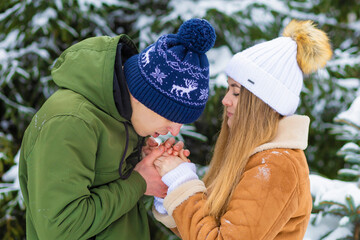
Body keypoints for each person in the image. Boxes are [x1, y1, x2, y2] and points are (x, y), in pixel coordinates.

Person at [18, 18, 216, 239]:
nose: (175, 130)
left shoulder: (124, 119)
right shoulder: (71, 122)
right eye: (171, 117)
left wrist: (148, 166)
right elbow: (59, 228)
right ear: (146, 97)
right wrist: (139, 182)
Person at [152, 19, 332, 240]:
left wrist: (183, 182)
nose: (225, 100)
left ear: (261, 103)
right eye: (229, 89)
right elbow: (204, 229)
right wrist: (169, 187)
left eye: (236, 93)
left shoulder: (277, 165)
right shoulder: (254, 155)